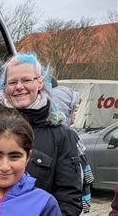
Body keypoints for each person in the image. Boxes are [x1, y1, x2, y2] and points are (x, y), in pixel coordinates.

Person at [0, 52, 82, 216]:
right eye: (12, 82)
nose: (19, 87)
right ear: (4, 87)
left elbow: (69, 198)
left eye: (26, 80)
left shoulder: (60, 135)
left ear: (40, 82)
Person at [52, 84, 94, 214]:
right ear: (63, 108)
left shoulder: (72, 134)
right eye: (73, 110)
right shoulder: (60, 136)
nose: (75, 114)